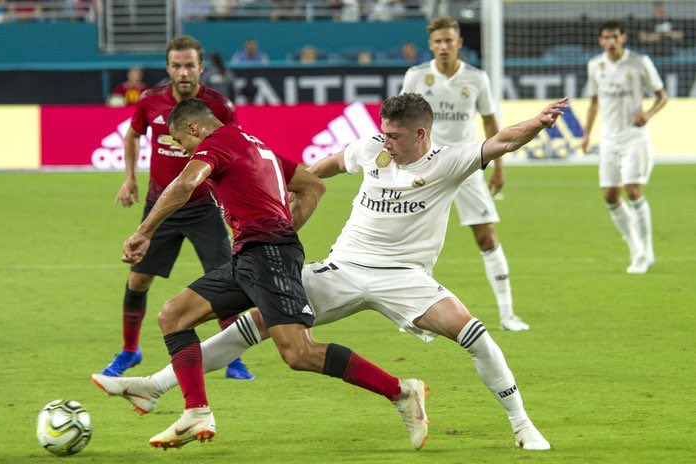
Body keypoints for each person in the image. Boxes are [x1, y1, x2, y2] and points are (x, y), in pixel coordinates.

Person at [93, 93, 566, 451]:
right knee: (256, 325)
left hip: (405, 278)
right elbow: (329, 166)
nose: (385, 141)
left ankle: (522, 425)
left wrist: (537, 123)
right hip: (343, 267)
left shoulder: (450, 161)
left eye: (395, 136)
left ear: (421, 134)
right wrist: (287, 192)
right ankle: (158, 385)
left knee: (475, 335)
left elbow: (503, 140)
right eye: (383, 132)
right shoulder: (372, 149)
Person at [111, 97, 430, 450]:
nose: (184, 150)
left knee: (299, 354)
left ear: (193, 128)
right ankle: (196, 411)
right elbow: (312, 185)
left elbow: (186, 183)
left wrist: (144, 231)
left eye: (181, 141)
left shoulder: (216, 144)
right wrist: (286, 228)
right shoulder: (252, 143)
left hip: (268, 254)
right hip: (250, 256)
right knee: (173, 316)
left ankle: (401, 391)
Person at [101, 35, 254, 381]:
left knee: (227, 280)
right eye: (176, 66)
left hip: (204, 207)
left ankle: (233, 358)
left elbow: (236, 151)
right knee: (138, 279)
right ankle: (130, 351)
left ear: (201, 67)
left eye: (189, 65)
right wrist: (130, 178)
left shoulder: (220, 106)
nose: (183, 72)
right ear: (168, 68)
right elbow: (132, 135)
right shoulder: (150, 101)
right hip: (161, 206)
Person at [400, 15, 529, 331]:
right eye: (438, 41)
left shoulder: (476, 78)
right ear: (431, 45)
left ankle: (507, 314)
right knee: (414, 241)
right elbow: (400, 120)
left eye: (449, 41)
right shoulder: (416, 76)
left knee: (486, 236)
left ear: (458, 43)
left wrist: (498, 166)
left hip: (467, 164)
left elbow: (490, 122)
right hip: (427, 168)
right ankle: (412, 316)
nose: (444, 46)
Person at [582, 20, 667, 274]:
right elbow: (594, 102)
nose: (611, 42)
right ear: (600, 41)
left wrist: (648, 114)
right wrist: (586, 134)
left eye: (615, 37)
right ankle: (635, 248)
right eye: (607, 37)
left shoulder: (640, 63)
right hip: (609, 140)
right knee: (610, 196)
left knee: (632, 190)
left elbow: (662, 97)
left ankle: (645, 252)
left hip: (634, 138)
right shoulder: (595, 66)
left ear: (623, 38)